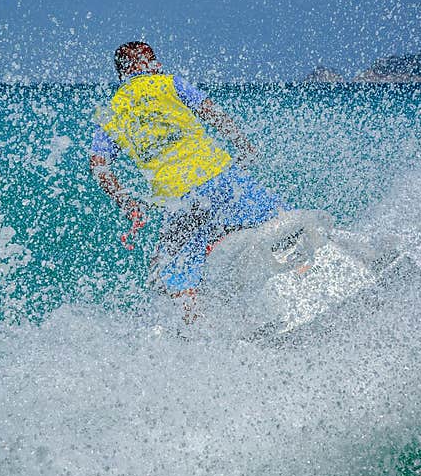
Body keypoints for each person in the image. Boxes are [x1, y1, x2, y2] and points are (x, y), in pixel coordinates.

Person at [89, 41, 288, 323]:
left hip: (181, 199)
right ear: (141, 67)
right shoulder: (171, 84)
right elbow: (213, 113)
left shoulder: (110, 113)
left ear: (122, 74)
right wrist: (243, 145)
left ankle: (194, 331)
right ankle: (309, 269)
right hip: (222, 176)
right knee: (279, 219)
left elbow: (99, 167)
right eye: (153, 60)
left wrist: (127, 203)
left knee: (172, 272)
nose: (158, 65)